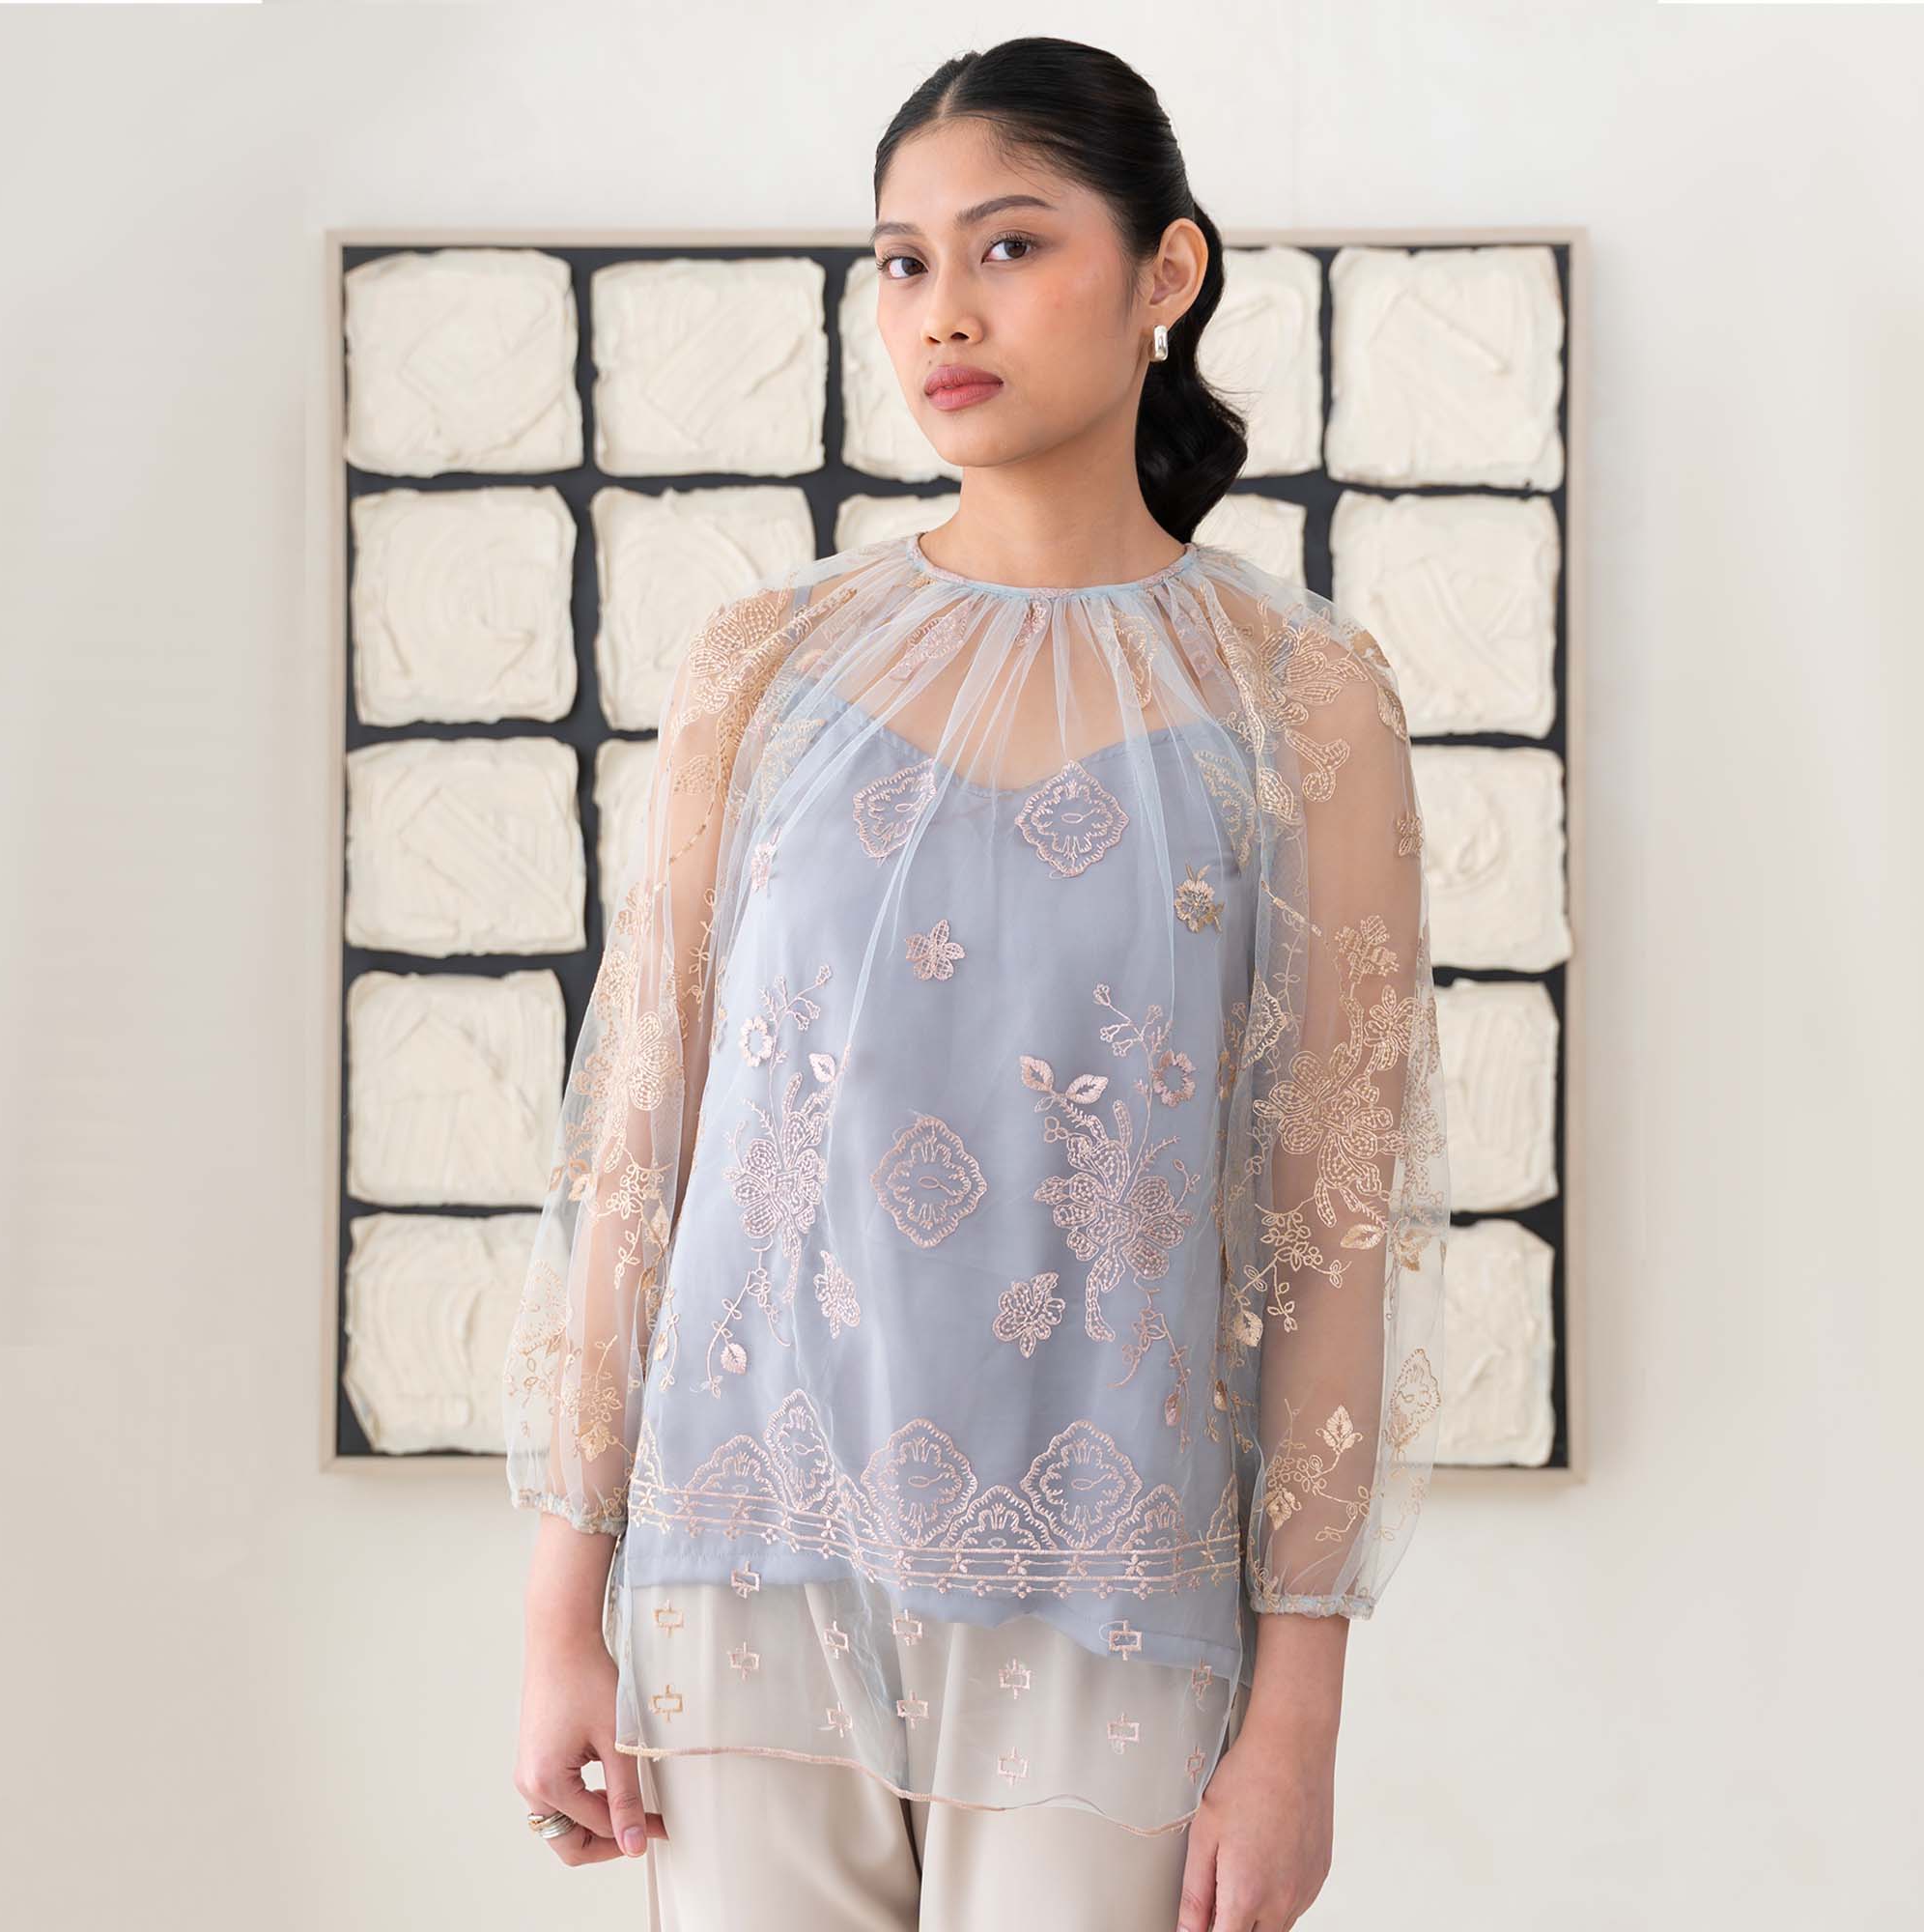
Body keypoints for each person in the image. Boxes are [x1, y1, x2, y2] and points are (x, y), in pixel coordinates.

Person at [503, 34, 1448, 1932]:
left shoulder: (1298, 697)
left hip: (1118, 1586)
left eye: (1010, 246)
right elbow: (641, 1141)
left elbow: (1329, 1226)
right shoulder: (762, 668)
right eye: (903, 259)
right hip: (741, 1559)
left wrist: (1299, 1723)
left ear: (1165, 272)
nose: (943, 310)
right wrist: (557, 1616)